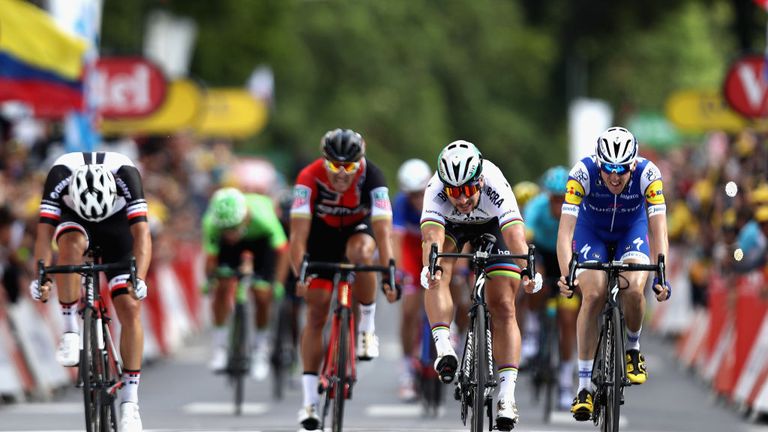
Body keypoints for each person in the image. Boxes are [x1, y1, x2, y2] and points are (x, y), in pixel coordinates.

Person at [420, 140, 541, 430]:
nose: (461, 199)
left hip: (492, 227)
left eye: (467, 190)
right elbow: (432, 239)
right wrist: (430, 266)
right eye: (453, 192)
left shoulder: (495, 183)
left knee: (503, 305)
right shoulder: (435, 188)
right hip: (452, 228)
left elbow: (514, 237)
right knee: (439, 272)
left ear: (480, 181)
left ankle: (507, 395)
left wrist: (527, 272)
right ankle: (444, 348)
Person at [29, 151, 152, 432]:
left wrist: (140, 278)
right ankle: (71, 329)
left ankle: (130, 403)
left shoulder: (126, 176)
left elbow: (142, 235)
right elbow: (44, 235)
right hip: (75, 221)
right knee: (69, 246)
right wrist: (42, 275)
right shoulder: (59, 175)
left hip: (116, 227)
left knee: (130, 306)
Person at [556, 127, 671, 421]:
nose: (615, 177)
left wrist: (661, 274)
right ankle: (583, 388)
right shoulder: (581, 172)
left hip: (631, 232)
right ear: (599, 162)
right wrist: (566, 275)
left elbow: (659, 231)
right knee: (592, 295)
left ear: (634, 164)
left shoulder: (649, 174)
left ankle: (632, 348)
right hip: (590, 231)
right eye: (608, 169)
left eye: (621, 169)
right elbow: (565, 231)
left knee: (633, 287)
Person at [289, 128, 399, 430]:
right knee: (317, 310)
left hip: (356, 232)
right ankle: (309, 402)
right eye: (334, 166)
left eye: (348, 167)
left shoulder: (373, 177)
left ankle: (366, 326)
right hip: (321, 238)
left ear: (359, 163)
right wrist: (301, 271)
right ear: (323, 161)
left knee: (363, 254)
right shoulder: (308, 178)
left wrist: (389, 267)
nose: (340, 174)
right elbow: (297, 236)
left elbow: (383, 229)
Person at [201, 187, 288, 381]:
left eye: (234, 228)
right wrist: (209, 280)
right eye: (227, 230)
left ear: (245, 216)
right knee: (222, 286)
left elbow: (282, 252)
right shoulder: (212, 222)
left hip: (260, 242)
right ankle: (220, 348)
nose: (231, 234)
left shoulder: (263, 218)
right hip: (229, 248)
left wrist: (278, 284)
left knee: (262, 295)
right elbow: (211, 257)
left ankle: (260, 350)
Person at [522, 165, 580, 409]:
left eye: (562, 199)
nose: (558, 205)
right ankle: (534, 329)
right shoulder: (536, 207)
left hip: (568, 257)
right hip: (544, 254)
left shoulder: (578, 210)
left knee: (568, 319)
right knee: (536, 279)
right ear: (547, 196)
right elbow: (525, 239)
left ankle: (566, 381)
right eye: (554, 199)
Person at [392, 158, 432, 401]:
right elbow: (395, 239)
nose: (417, 200)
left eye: (421, 194)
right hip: (410, 250)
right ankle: (407, 368)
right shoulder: (401, 203)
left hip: (434, 245)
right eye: (412, 195)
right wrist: (397, 271)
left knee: (455, 286)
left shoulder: (439, 197)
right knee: (408, 311)